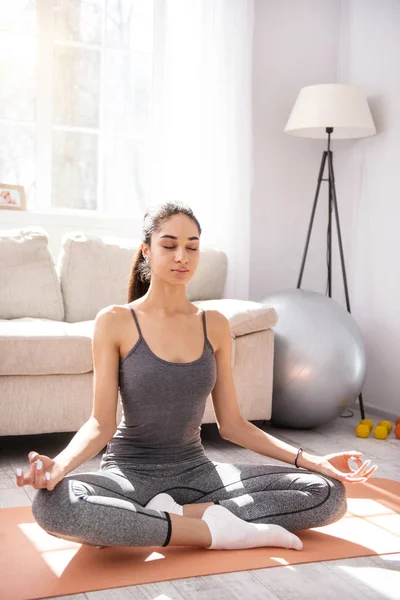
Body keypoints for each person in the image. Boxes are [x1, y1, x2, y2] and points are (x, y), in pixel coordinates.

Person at [17, 202, 377, 551]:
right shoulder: (115, 321)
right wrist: (58, 466)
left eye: (192, 247)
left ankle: (161, 521)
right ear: (146, 251)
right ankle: (215, 532)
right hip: (130, 475)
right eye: (169, 245)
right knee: (54, 505)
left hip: (200, 474)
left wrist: (316, 460)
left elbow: (233, 424)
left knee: (327, 494)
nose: (181, 257)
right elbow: (100, 424)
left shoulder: (215, 326)